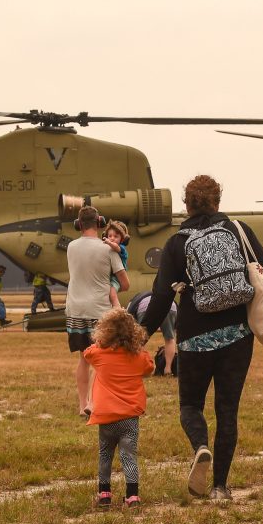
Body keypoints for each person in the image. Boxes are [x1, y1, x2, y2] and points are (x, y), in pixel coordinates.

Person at [141, 175, 263, 501]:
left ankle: (200, 446)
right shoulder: (237, 229)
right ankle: (220, 486)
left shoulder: (177, 242)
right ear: (218, 201)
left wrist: (140, 335)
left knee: (191, 405)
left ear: (186, 203)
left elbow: (161, 296)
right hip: (237, 336)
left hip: (193, 339)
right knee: (227, 410)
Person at [84, 309, 155, 508]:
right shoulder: (139, 357)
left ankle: (104, 494)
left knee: (105, 454)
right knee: (128, 456)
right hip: (129, 417)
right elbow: (150, 368)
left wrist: (100, 343)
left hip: (106, 416)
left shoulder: (98, 354)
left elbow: (87, 353)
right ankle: (132, 496)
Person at [66, 206, 130, 417]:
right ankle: (93, 403)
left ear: (79, 224)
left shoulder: (71, 247)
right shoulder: (108, 249)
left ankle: (81, 404)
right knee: (100, 359)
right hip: (99, 310)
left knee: (84, 358)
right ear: (100, 222)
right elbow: (125, 283)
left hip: (75, 309)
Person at [126, 290, 178, 377]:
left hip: (145, 307)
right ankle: (168, 369)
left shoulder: (133, 303)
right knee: (170, 339)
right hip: (170, 305)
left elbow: (129, 321)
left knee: (139, 340)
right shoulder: (160, 293)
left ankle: (140, 368)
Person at [102, 220, 130, 308]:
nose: (112, 238)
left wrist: (108, 242)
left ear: (122, 239)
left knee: (112, 291)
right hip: (110, 274)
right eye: (110, 236)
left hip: (116, 277)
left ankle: (117, 307)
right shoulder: (108, 247)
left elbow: (116, 248)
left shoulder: (121, 248)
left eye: (116, 236)